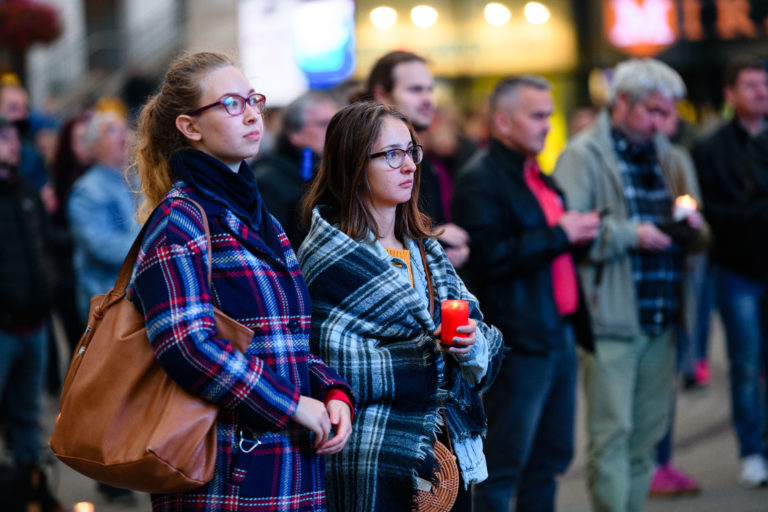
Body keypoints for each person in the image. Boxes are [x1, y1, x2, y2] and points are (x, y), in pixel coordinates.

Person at [129, 51, 353, 511]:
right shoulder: (181, 220)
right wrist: (292, 404)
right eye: (231, 103)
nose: (252, 113)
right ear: (190, 127)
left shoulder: (258, 215)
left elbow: (285, 337)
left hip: (287, 463)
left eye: (253, 99)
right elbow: (188, 345)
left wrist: (331, 390)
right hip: (226, 474)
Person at [298, 101, 504, 511]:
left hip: (449, 450)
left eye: (412, 151)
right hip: (373, 455)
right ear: (354, 164)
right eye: (392, 154)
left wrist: (468, 343)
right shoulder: (328, 260)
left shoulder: (427, 250)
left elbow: (483, 332)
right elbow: (336, 367)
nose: (409, 165)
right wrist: (435, 353)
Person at [553, 58, 708, 512]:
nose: (665, 122)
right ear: (623, 102)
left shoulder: (672, 156)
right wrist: (632, 234)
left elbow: (701, 232)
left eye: (670, 112)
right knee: (611, 436)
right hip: (611, 318)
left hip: (664, 314)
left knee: (647, 437)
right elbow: (567, 231)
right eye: (655, 111)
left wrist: (693, 228)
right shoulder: (582, 155)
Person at [452, 75, 599, 512]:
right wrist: (560, 233)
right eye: (537, 116)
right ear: (503, 121)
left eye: (550, 115)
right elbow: (488, 258)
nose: (548, 125)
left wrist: (578, 233)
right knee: (503, 466)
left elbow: (553, 246)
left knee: (551, 460)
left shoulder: (536, 173)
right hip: (519, 341)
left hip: (558, 333)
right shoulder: (480, 178)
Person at [692, 55, 768, 487]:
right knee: (744, 362)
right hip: (736, 269)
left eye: (764, 84)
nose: (760, 91)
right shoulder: (711, 147)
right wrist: (746, 215)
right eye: (751, 85)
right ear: (731, 94)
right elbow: (705, 212)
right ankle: (752, 451)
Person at [0, 116, 62, 511]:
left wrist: (47, 288)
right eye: (4, 139)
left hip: (34, 323)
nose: (13, 145)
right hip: (2, 325)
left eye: (13, 139)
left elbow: (42, 248)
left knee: (27, 414)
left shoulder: (26, 191)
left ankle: (29, 492)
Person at [361, 50, 471, 269]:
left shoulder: (430, 163)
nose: (428, 99)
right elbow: (362, 238)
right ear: (382, 95)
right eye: (415, 90)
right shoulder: (354, 159)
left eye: (430, 89)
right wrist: (434, 240)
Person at [252, 91, 339, 249]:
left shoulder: (329, 172)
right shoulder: (267, 181)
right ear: (294, 133)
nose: (335, 131)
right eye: (324, 124)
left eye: (337, 123)